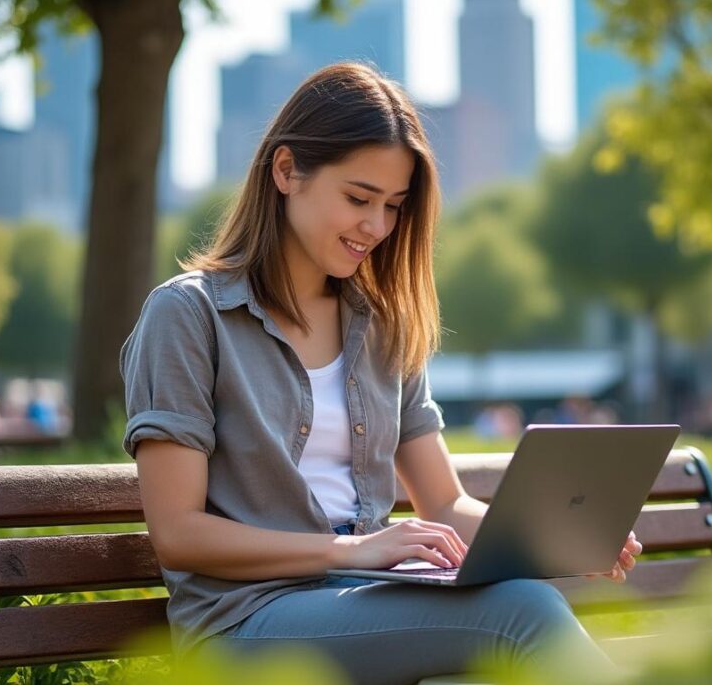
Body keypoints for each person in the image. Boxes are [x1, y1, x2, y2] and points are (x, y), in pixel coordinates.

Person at [120, 63, 635, 684]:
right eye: (358, 198)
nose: (377, 227)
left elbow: (443, 501)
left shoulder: (383, 325)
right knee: (521, 613)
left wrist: (563, 538)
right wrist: (350, 550)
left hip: (364, 600)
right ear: (286, 171)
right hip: (243, 624)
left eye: (393, 206)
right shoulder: (189, 314)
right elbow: (177, 534)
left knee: (518, 604)